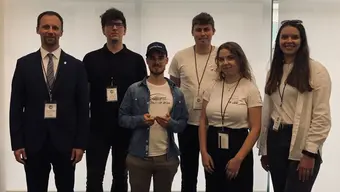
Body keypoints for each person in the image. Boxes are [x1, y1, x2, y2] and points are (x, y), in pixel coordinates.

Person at [9, 11, 89, 192]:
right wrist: (17, 143)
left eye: (55, 27)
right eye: (46, 27)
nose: (50, 31)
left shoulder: (76, 66)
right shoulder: (24, 64)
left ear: (61, 32)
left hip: (67, 145)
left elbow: (83, 108)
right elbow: (15, 106)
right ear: (38, 30)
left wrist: (80, 144)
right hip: (33, 143)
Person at [257, 20, 332, 192]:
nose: (289, 41)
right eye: (284, 37)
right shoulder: (274, 70)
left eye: (294, 37)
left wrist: (309, 153)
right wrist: (265, 149)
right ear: (278, 41)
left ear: (302, 41)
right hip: (276, 139)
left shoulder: (316, 70)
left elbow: (322, 116)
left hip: (302, 141)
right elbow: (269, 111)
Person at [83, 7, 147, 192]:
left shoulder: (135, 60)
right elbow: (82, 97)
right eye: (110, 25)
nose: (114, 29)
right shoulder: (90, 59)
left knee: (121, 177)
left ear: (124, 30)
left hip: (125, 129)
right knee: (94, 177)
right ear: (103, 29)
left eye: (118, 25)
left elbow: (142, 97)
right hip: (97, 128)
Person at [119, 42, 188, 192]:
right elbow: (122, 118)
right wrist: (140, 120)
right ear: (147, 61)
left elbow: (183, 123)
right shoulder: (134, 90)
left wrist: (171, 123)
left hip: (166, 158)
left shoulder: (176, 93)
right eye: (152, 58)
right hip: (138, 158)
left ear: (166, 60)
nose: (156, 62)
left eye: (160, 58)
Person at [198, 42, 262, 191]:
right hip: (213, 145)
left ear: (240, 60)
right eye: (221, 59)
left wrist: (239, 158)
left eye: (230, 58)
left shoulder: (249, 88)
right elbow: (203, 121)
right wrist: (203, 152)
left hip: (238, 146)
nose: (225, 63)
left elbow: (256, 128)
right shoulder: (212, 86)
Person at [168, 12, 217, 192]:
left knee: (213, 171)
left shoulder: (222, 55)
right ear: (192, 32)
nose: (203, 34)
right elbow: (174, 88)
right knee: (188, 174)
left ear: (213, 31)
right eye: (199, 30)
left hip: (213, 124)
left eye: (206, 29)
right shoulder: (181, 57)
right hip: (187, 123)